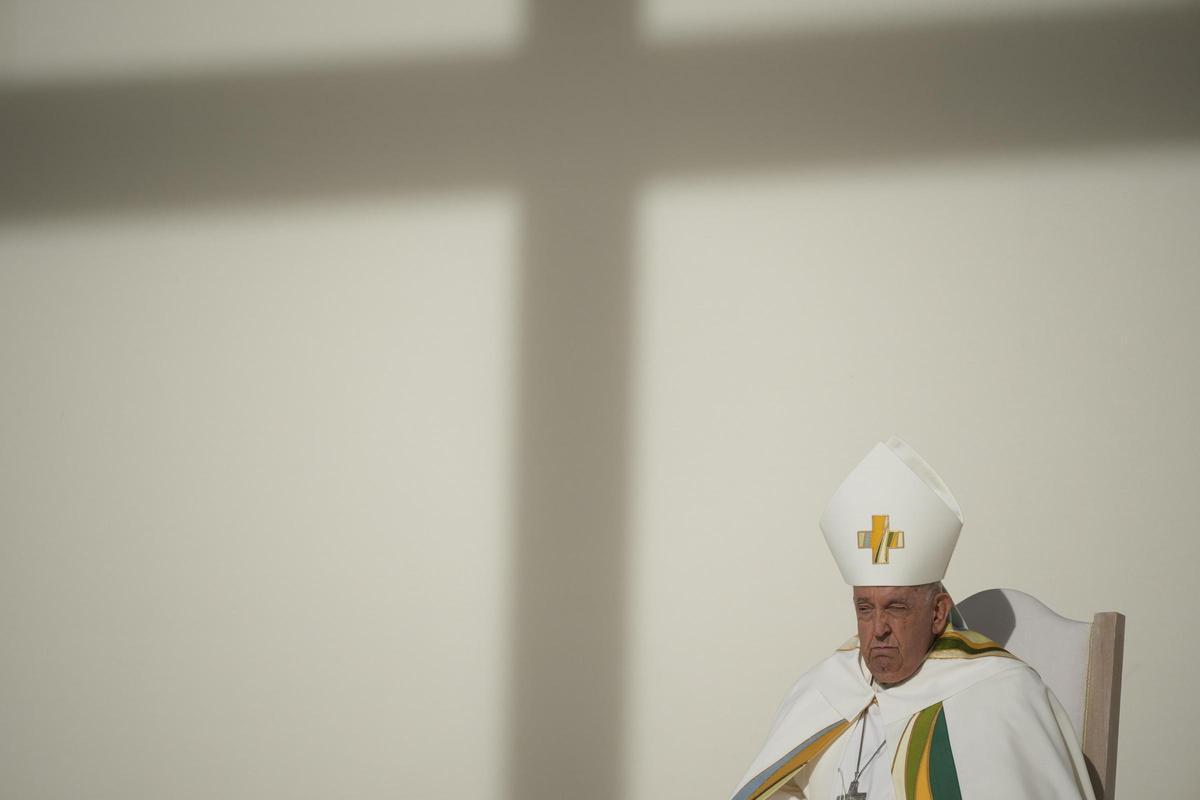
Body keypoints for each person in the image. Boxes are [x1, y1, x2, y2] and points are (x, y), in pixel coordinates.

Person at [730, 437, 1096, 800]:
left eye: (896, 608)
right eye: (865, 609)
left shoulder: (1000, 695)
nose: (878, 630)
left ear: (937, 612)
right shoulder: (827, 686)